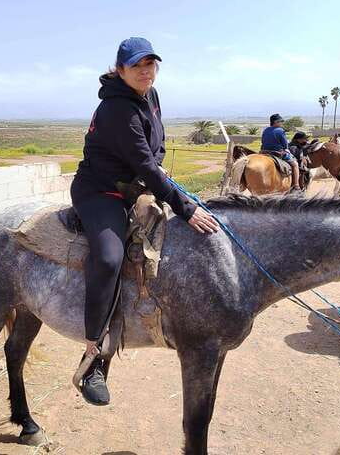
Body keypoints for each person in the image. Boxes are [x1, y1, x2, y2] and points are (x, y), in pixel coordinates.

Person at [70, 37, 218, 406]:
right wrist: (186, 207)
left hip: (135, 187)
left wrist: (156, 180)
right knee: (108, 257)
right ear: (120, 70)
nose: (146, 71)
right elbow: (146, 164)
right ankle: (93, 357)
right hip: (100, 192)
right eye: (137, 66)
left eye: (151, 64)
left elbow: (158, 147)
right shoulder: (116, 109)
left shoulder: (151, 95)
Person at [260, 114, 302, 190]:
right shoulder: (280, 130)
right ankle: (296, 185)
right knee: (295, 164)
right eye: (280, 121)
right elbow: (285, 145)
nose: (281, 123)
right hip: (277, 153)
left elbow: (262, 141)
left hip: (264, 152)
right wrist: (286, 148)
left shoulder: (265, 130)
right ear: (275, 122)